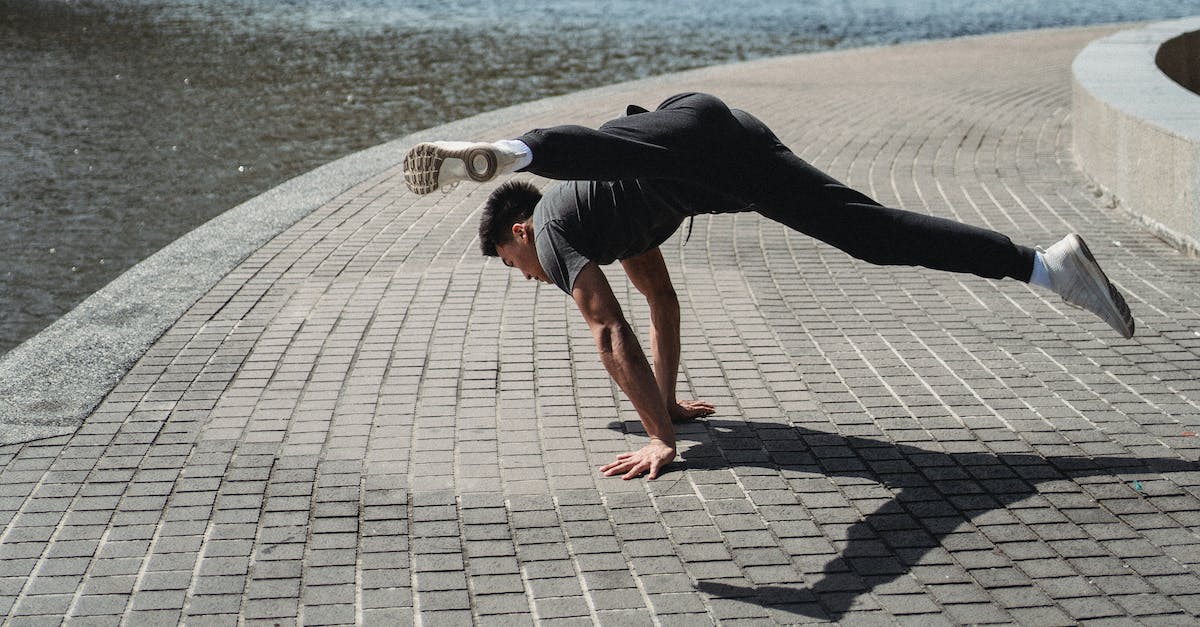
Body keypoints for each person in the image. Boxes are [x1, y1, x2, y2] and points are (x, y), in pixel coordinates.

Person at [402, 92, 1134, 481]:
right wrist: (666, 402)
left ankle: (513, 150)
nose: (527, 279)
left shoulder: (557, 232)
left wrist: (661, 440)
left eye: (512, 264)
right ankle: (1047, 264)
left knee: (611, 146)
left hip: (682, 147)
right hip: (723, 142)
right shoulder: (600, 221)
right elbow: (658, 301)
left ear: (519, 233)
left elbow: (606, 330)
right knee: (871, 235)